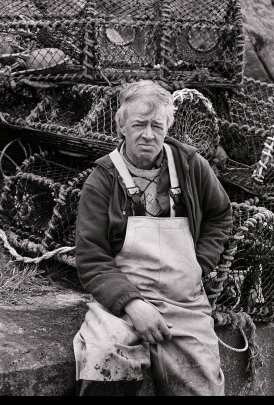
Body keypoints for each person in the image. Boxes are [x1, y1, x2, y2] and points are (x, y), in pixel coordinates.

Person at [73, 80, 233, 396]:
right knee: (104, 355)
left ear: (167, 126)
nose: (148, 134)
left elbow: (220, 215)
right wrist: (132, 304)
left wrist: (199, 265)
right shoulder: (102, 179)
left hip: (184, 300)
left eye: (156, 125)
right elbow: (91, 257)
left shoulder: (191, 165)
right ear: (121, 126)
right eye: (139, 124)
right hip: (124, 292)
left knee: (202, 382)